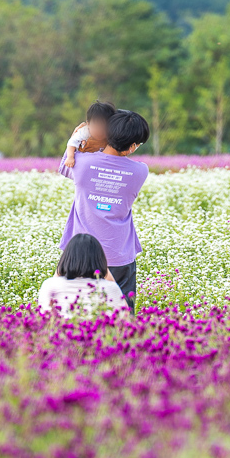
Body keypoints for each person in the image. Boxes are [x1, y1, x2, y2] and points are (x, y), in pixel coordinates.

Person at [58, 109, 150, 314]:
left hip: (79, 254)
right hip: (119, 254)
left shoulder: (81, 163)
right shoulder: (140, 171)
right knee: (122, 315)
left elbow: (66, 163)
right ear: (133, 146)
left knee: (78, 314)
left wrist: (83, 137)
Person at [37, 233, 129, 319]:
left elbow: (42, 318)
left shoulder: (50, 285)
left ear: (67, 258)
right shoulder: (110, 287)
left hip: (61, 334)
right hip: (98, 334)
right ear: (100, 259)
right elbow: (125, 317)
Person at [64, 100, 116, 168]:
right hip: (84, 162)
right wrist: (70, 157)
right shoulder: (84, 132)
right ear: (88, 124)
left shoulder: (112, 135)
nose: (100, 130)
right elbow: (72, 143)